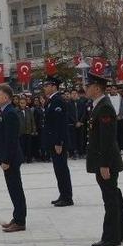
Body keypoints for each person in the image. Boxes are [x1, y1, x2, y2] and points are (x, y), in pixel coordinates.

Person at [84, 72, 123, 246]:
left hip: (106, 162)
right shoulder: (97, 105)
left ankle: (112, 237)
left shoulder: (104, 107)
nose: (85, 89)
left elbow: (107, 139)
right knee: (114, 194)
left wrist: (104, 164)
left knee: (110, 198)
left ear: (97, 88)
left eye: (88, 86)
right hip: (102, 160)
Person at [0, 84, 26, 233]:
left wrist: (6, 160)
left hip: (11, 159)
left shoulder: (10, 113)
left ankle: (20, 221)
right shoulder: (3, 112)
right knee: (13, 189)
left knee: (16, 189)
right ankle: (17, 216)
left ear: (6, 97)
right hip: (7, 159)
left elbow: (11, 140)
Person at [42, 76, 73, 207]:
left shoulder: (58, 101)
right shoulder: (51, 100)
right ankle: (63, 194)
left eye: (46, 85)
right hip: (53, 140)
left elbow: (59, 124)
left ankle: (67, 197)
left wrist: (59, 142)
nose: (44, 87)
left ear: (54, 86)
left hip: (58, 141)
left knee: (61, 169)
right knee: (58, 169)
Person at [17, 97, 35, 164]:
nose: (22, 105)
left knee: (29, 146)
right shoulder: (16, 110)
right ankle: (22, 158)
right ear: (19, 103)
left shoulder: (29, 110)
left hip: (28, 131)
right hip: (20, 132)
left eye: (24, 103)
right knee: (22, 146)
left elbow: (32, 120)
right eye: (21, 103)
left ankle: (29, 158)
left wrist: (34, 130)